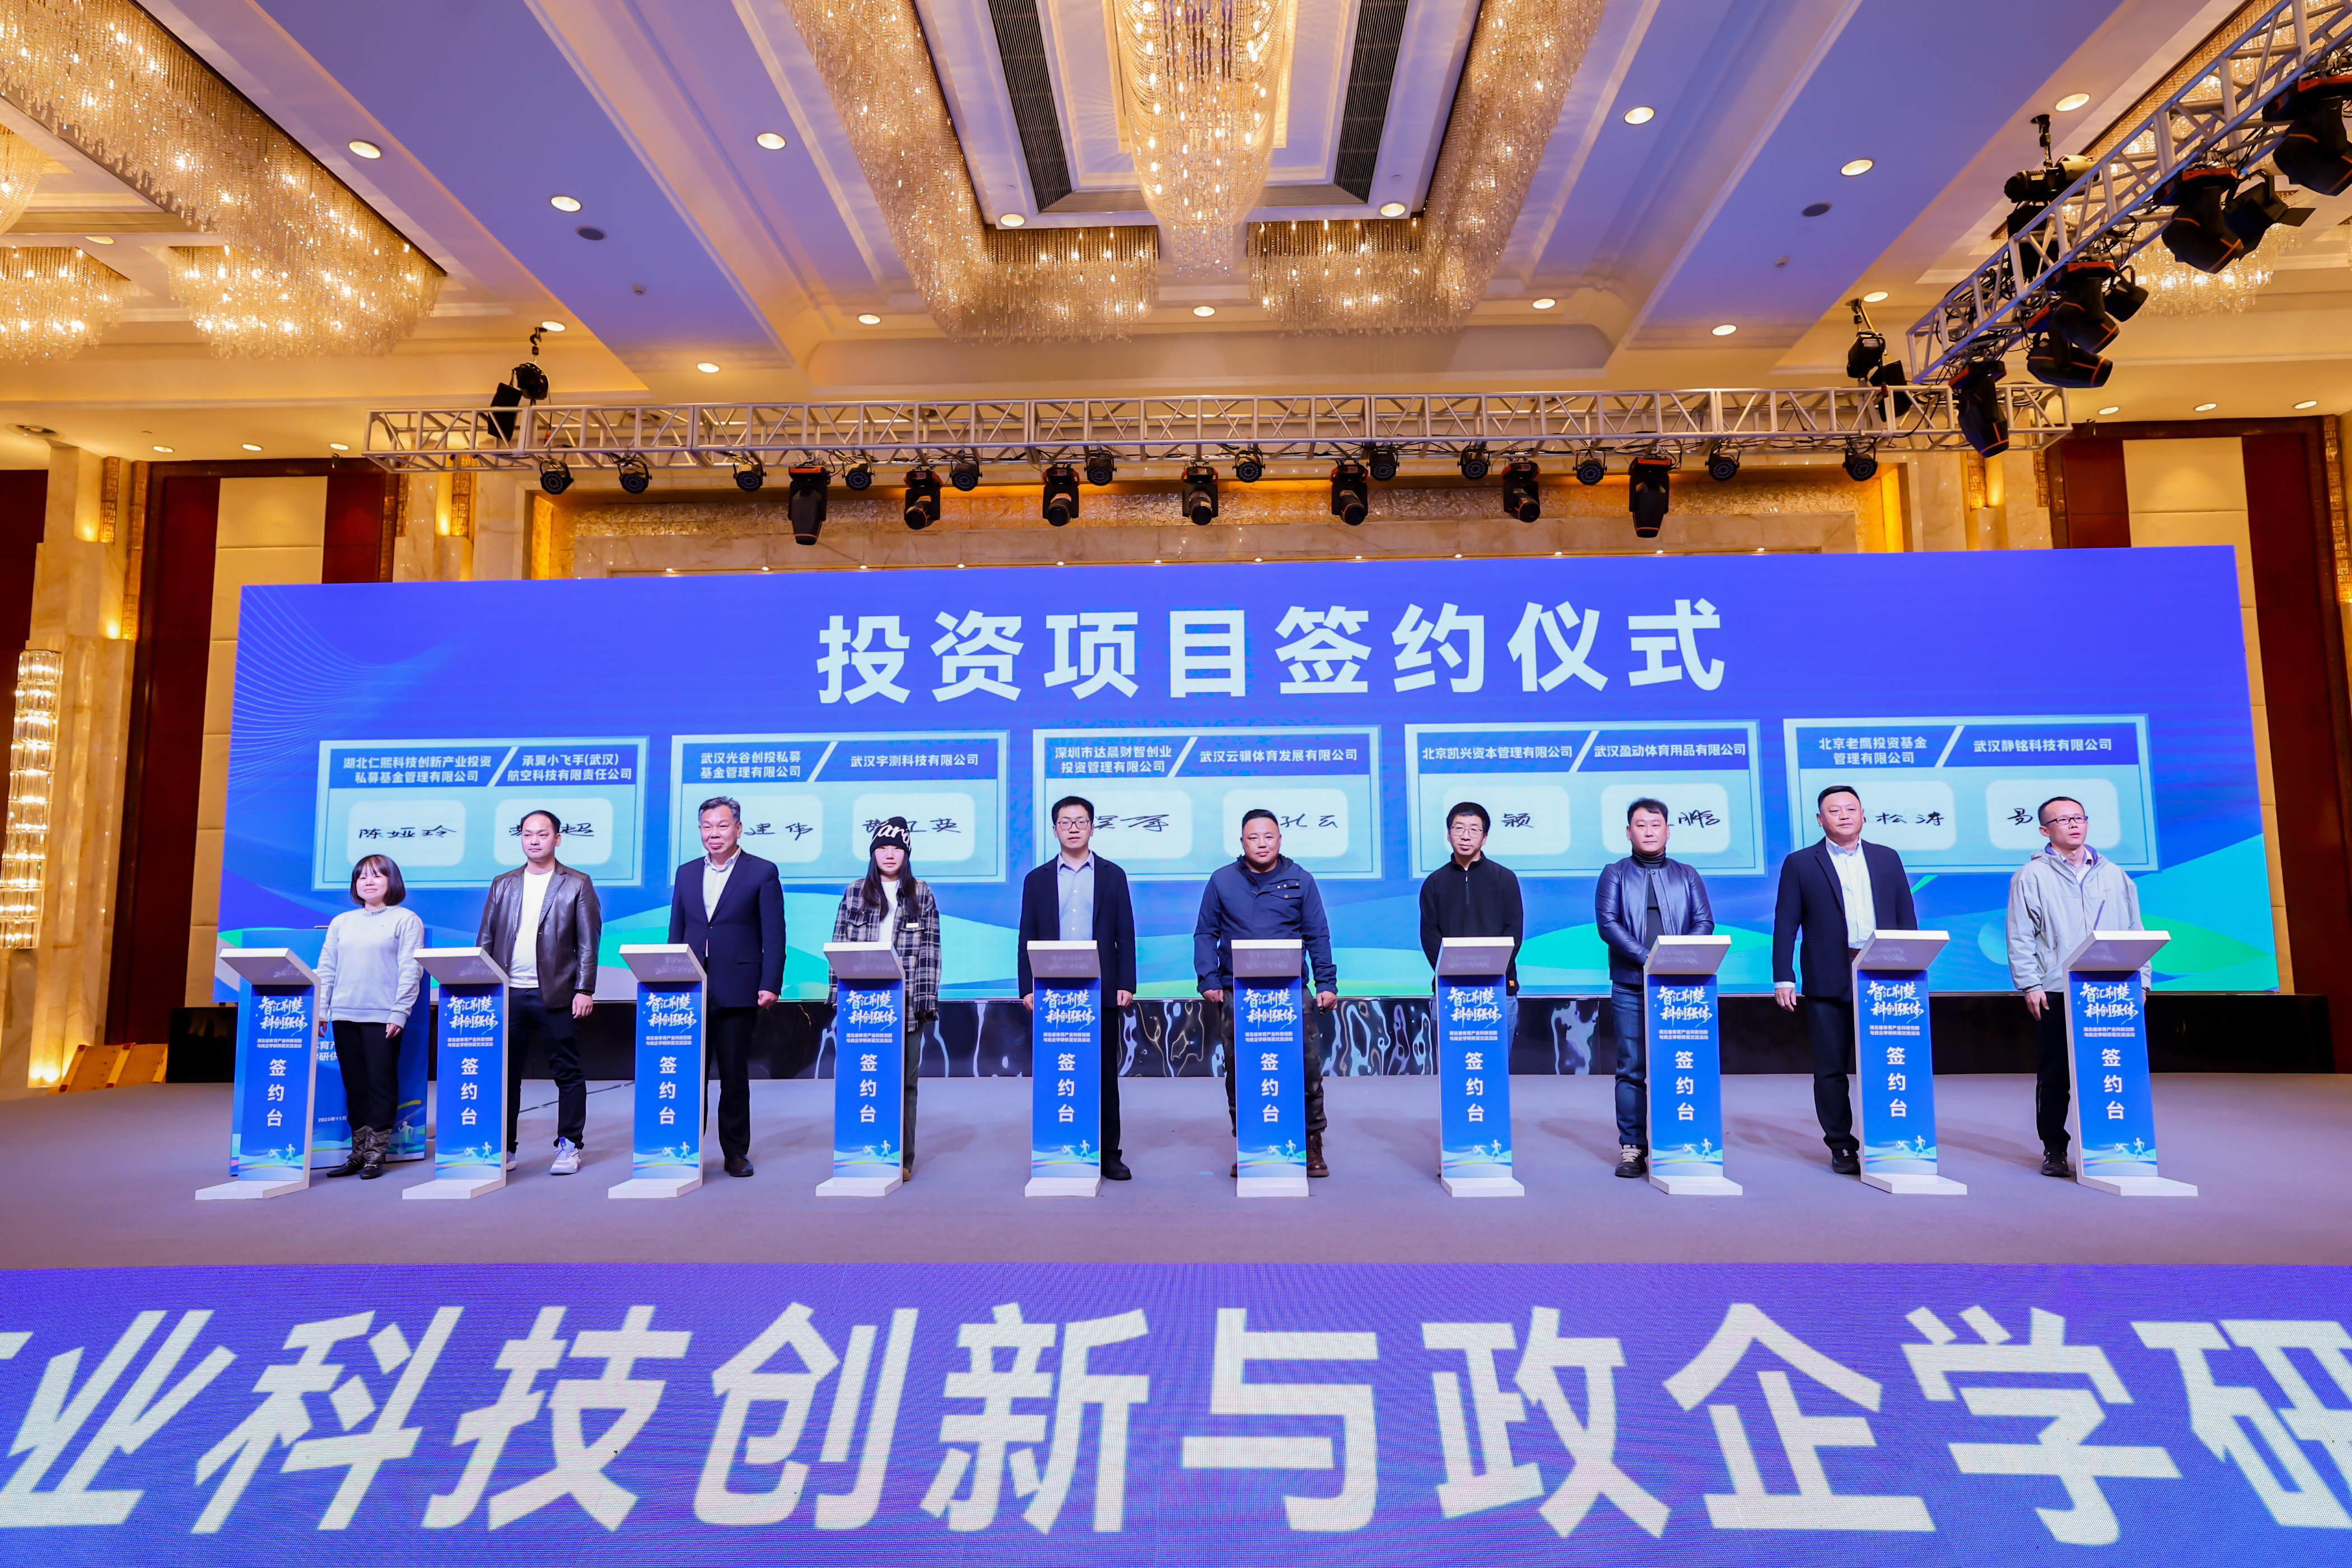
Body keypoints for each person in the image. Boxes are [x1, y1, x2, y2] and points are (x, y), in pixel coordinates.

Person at [1772, 785, 1919, 1175]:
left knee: (1887, 1061)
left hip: (1884, 974)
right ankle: (1841, 1145)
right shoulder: (1801, 863)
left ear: (1863, 815)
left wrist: (1911, 966)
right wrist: (1783, 976)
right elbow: (1786, 923)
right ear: (1820, 820)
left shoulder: (1887, 858)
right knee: (1831, 1068)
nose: (1844, 816)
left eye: (1851, 809)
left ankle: (1890, 1138)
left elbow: (1906, 916)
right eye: (1834, 811)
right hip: (1827, 975)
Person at [2006, 794, 2147, 1177]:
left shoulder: (2115, 874)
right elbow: (2020, 935)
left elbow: (2135, 929)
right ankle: (2054, 1149)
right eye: (2063, 820)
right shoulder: (2031, 876)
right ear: (2044, 830)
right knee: (2056, 1076)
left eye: (2079, 818)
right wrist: (2029, 985)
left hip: (2111, 990)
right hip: (2057, 989)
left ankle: (2112, 1145)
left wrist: (2143, 981)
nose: (2073, 825)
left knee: (2110, 1069)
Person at [1194, 809, 1339, 1177]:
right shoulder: (1222, 880)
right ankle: (1250, 1144)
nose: (1262, 844)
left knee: (1306, 1069)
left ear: (1280, 839)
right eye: (1254, 838)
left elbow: (1318, 935)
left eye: (1269, 836)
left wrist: (1326, 984)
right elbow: (1205, 933)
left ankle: (1312, 1144)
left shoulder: (1300, 879)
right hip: (1238, 992)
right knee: (1241, 1071)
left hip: (1290, 993)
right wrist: (1208, 980)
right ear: (1242, 842)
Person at [1018, 795, 1138, 1179]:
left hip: (1100, 988)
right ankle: (1059, 1145)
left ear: (1092, 827)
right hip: (1052, 991)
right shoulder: (1036, 879)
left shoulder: (1112, 875)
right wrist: (1026, 986)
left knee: (1103, 1075)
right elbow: (1026, 935)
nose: (1073, 828)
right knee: (1058, 1069)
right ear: (1055, 829)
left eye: (1081, 821)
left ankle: (1109, 1154)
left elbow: (1124, 934)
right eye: (1066, 822)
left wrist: (1126, 982)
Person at [477, 809, 601, 1174]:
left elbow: (589, 942)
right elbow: (485, 939)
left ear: (557, 839)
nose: (534, 840)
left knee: (567, 1072)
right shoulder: (503, 883)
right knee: (505, 1074)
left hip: (557, 993)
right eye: (527, 834)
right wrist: (481, 986)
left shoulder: (577, 883)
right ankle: (505, 1147)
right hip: (508, 993)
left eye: (542, 834)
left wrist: (585, 989)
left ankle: (569, 1145)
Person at [1595, 797, 1714, 1178]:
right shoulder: (1614, 873)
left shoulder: (1687, 874)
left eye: (1656, 825)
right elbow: (1608, 925)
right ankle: (1632, 1148)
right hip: (1630, 986)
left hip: (1680, 989)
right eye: (1641, 825)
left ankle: (1679, 1141)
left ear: (1668, 831)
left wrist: (1674, 960)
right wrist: (1650, 959)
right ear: (1628, 832)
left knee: (1679, 1063)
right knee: (1632, 1068)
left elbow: (1705, 922)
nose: (1649, 832)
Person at [668, 795, 785, 1179]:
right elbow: (677, 930)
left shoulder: (762, 871)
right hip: (689, 990)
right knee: (687, 1073)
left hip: (738, 986)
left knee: (733, 1075)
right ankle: (683, 1148)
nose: (713, 833)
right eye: (707, 826)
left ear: (738, 828)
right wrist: (670, 976)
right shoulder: (686, 873)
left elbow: (774, 934)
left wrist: (770, 983)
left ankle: (735, 1152)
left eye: (721, 826)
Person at [829, 816, 940, 1179]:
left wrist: (925, 1003)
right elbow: (839, 945)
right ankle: (861, 1148)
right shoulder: (854, 892)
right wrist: (838, 998)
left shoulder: (921, 893)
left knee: (905, 1083)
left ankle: (902, 1159)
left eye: (897, 848)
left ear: (907, 853)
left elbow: (930, 952)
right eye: (882, 848)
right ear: (873, 852)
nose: (889, 854)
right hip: (862, 1005)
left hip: (906, 1004)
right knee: (861, 1077)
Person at [314, 853, 425, 1180]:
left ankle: (376, 1155)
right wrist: (321, 1010)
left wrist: (399, 1012)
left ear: (392, 880)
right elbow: (327, 968)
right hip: (344, 1014)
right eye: (362, 876)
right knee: (356, 1087)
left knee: (380, 1085)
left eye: (377, 875)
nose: (369, 881)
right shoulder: (342, 922)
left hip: (383, 1016)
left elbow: (411, 970)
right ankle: (358, 1153)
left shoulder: (406, 919)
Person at [1418, 801, 1524, 1038]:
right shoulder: (1434, 883)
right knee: (1453, 1059)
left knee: (1495, 1060)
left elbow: (1514, 933)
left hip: (1498, 989)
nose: (1466, 836)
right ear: (1448, 835)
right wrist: (1455, 972)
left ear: (1484, 837)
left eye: (1474, 830)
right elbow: (1430, 936)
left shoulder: (1505, 878)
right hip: (1450, 991)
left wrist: (1491, 970)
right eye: (1458, 828)